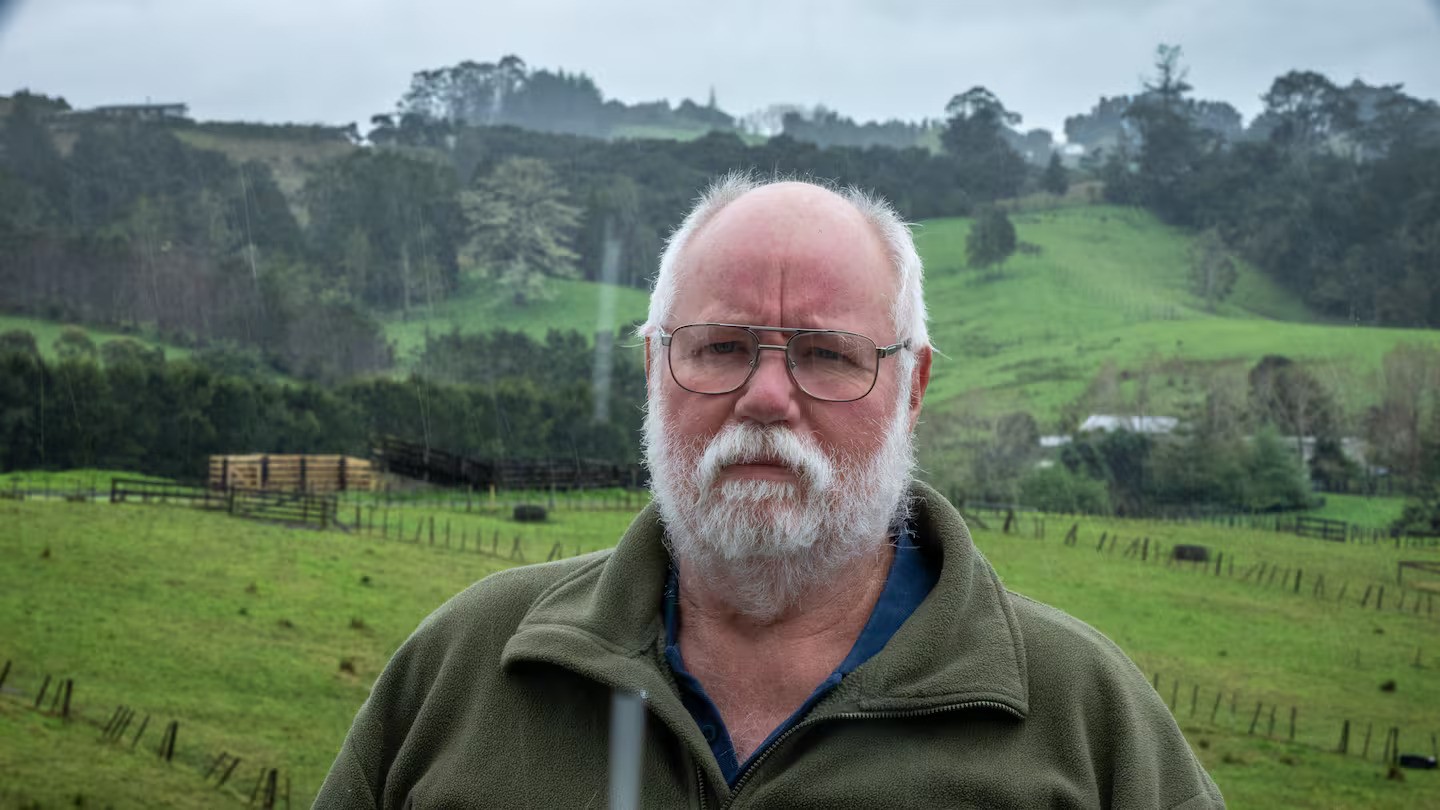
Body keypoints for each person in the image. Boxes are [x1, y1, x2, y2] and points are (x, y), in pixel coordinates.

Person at [315, 174, 1224, 808]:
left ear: (912, 389)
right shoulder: (467, 670)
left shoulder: (1086, 722)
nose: (765, 397)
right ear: (653, 368)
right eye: (719, 347)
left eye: (828, 355)